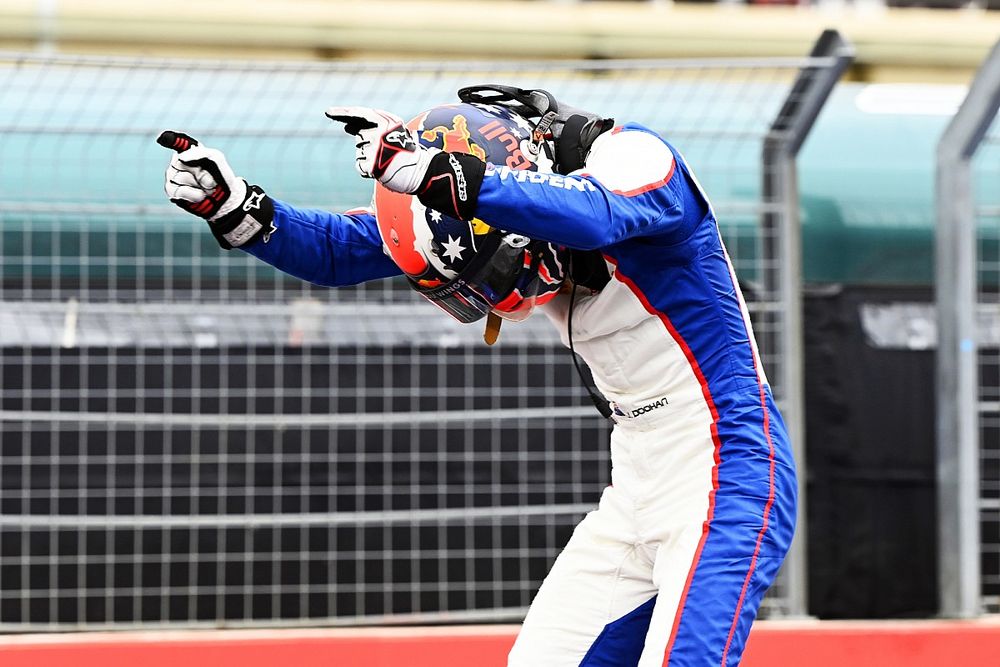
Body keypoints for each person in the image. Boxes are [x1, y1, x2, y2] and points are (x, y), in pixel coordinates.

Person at [158, 85, 796, 667]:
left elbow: (594, 215)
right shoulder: (476, 209)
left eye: (495, 270)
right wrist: (237, 209)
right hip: (636, 477)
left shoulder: (637, 162)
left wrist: (445, 177)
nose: (501, 296)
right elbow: (338, 250)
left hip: (729, 460)